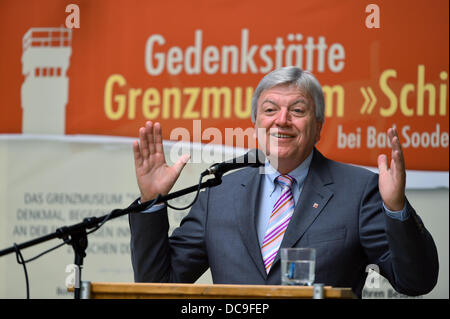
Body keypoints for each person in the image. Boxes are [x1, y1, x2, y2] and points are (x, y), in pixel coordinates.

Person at [128, 66, 438, 298]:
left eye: (298, 110)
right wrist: (151, 202)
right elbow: (158, 286)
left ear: (318, 128)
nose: (282, 119)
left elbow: (416, 281)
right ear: (256, 124)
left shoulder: (358, 190)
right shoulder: (218, 193)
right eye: (270, 110)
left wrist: (396, 208)